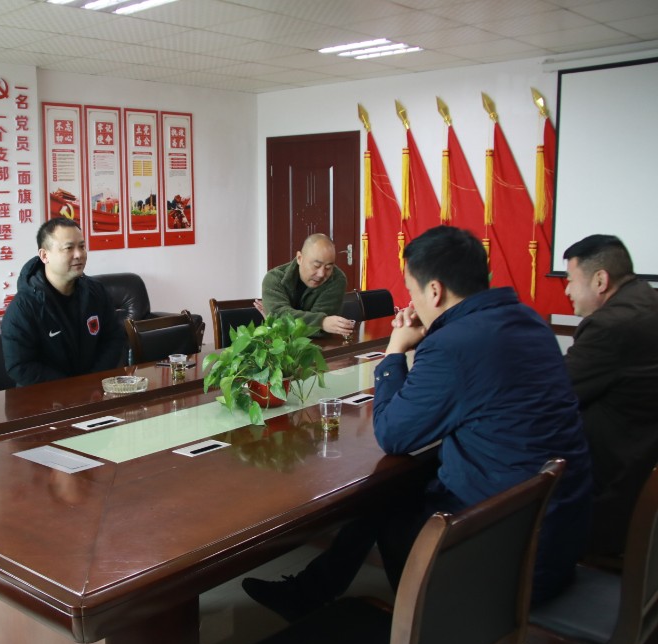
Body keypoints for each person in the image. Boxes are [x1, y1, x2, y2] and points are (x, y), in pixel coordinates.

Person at [243, 226, 592, 620]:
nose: (410, 303)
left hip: (508, 558)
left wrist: (394, 353)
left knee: (386, 498)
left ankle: (423, 623)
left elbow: (393, 435)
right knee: (399, 487)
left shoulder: (454, 345)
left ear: (435, 291)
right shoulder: (527, 320)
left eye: (411, 291)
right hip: (556, 533)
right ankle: (313, 590)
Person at [562, 235, 658, 559]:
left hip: (613, 486)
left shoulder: (609, 326)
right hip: (643, 463)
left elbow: (555, 394)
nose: (567, 291)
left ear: (600, 280)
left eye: (570, 280)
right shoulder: (648, 300)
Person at [2, 218, 124, 386]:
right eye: (69, 248)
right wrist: (71, 387)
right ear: (44, 255)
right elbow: (19, 366)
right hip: (45, 395)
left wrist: (92, 380)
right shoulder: (23, 307)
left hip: (93, 389)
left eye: (82, 246)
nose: (79, 254)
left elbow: (114, 338)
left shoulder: (96, 292)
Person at [257, 233, 355, 337]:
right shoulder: (274, 279)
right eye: (316, 266)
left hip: (321, 344)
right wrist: (321, 322)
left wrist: (281, 319)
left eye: (328, 267)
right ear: (299, 258)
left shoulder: (336, 279)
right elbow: (279, 317)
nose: (321, 274)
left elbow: (321, 331)